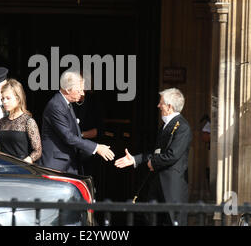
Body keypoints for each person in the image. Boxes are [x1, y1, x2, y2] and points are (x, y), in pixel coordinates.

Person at [115, 88, 192, 225]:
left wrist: (152, 163)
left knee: (171, 221)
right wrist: (135, 159)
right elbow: (156, 152)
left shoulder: (182, 127)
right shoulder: (165, 126)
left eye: (161, 103)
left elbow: (172, 155)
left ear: (169, 106)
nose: (158, 106)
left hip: (172, 187)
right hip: (157, 185)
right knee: (151, 219)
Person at [39, 71, 115, 175]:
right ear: (67, 90)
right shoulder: (56, 105)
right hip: (56, 166)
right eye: (79, 91)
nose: (83, 93)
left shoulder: (66, 103)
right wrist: (96, 147)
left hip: (67, 164)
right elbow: (68, 137)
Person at [0, 79, 42, 163]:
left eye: (8, 98)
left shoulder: (28, 122)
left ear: (18, 99)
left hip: (21, 168)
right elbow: (0, 149)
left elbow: (37, 151)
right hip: (3, 167)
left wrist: (23, 163)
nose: (4, 101)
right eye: (3, 98)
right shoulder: (2, 122)